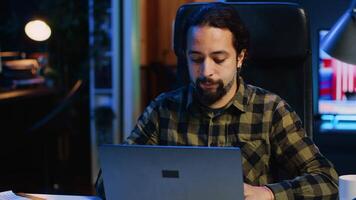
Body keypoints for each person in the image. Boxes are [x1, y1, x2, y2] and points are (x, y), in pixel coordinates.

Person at [96, 2, 338, 199]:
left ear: (240, 58)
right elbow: (108, 181)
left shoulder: (271, 109)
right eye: (196, 58)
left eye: (219, 59)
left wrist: (267, 193)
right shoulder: (163, 110)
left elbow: (326, 180)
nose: (206, 71)